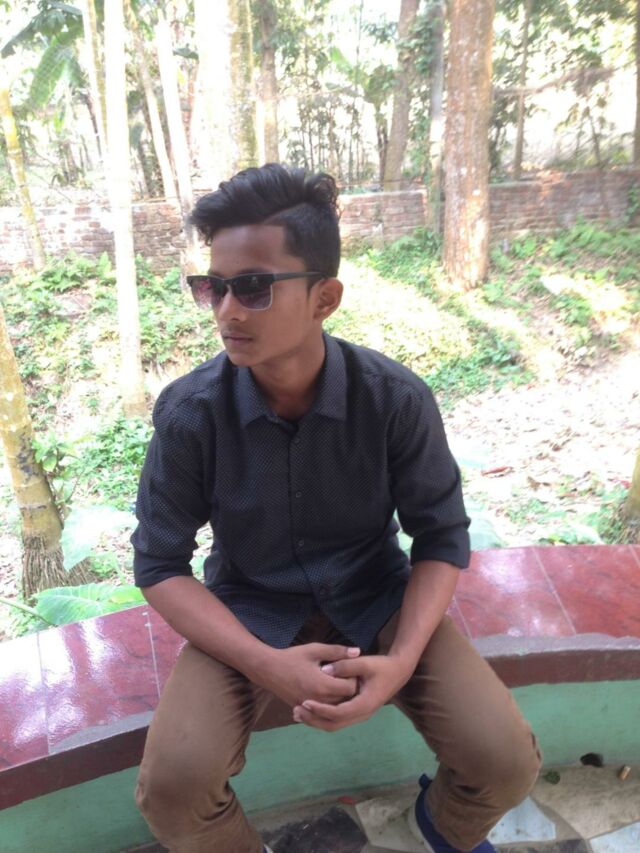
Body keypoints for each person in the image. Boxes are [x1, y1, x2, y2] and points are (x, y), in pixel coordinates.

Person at [131, 163, 541, 853]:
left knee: (505, 760)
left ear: (325, 297)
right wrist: (264, 663)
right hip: (249, 605)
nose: (227, 311)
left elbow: (441, 537)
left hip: (377, 597)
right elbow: (159, 564)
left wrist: (402, 661)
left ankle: (438, 825)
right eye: (213, 287)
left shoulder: (394, 400)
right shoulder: (191, 414)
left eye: (253, 287)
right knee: (173, 788)